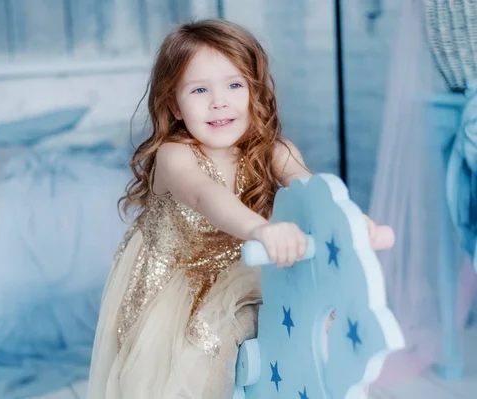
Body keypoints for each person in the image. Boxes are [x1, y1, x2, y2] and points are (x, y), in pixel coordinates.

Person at [87, 18, 392, 399]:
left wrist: (349, 222)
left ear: (254, 92)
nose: (219, 101)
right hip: (177, 281)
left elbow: (310, 186)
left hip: (240, 265)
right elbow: (205, 196)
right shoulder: (175, 156)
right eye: (199, 89)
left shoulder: (275, 150)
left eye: (234, 85)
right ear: (174, 106)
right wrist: (262, 230)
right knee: (205, 350)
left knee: (304, 306)